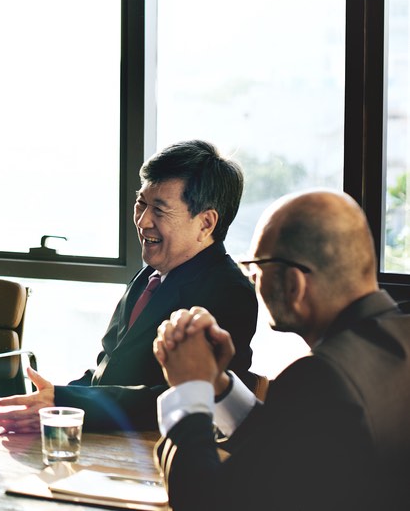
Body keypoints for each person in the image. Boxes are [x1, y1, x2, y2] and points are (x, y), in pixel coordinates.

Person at [153, 190, 410, 510]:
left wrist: (191, 388)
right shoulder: (399, 339)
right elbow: (293, 447)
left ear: (294, 284)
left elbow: (209, 502)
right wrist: (217, 385)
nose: (253, 280)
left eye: (256, 268)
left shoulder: (322, 378)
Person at [0, 140, 258, 431]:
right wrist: (49, 401)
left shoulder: (229, 290)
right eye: (141, 204)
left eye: (159, 210)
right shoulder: (150, 276)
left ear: (206, 223)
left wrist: (68, 402)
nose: (143, 222)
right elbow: (107, 372)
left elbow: (193, 395)